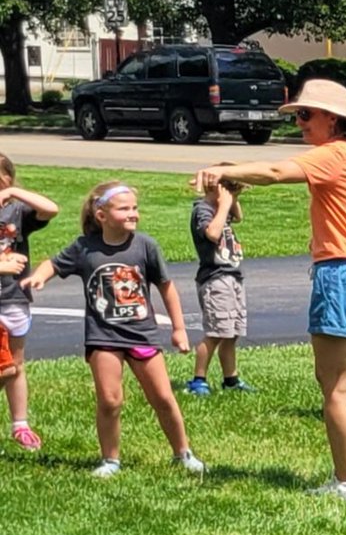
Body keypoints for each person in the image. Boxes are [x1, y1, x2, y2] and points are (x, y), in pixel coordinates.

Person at [193, 78, 346, 503]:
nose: (300, 124)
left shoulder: (333, 155)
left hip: (341, 274)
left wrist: (224, 170)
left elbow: (274, 172)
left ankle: (345, 484)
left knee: (333, 386)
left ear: (334, 120)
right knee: (340, 378)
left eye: (306, 116)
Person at [22, 182, 204, 478]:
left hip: (142, 335)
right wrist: (39, 277)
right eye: (124, 208)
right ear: (101, 215)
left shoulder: (145, 246)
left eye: (134, 208)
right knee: (109, 400)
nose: (133, 213)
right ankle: (110, 459)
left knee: (162, 397)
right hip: (102, 337)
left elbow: (167, 288)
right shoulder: (85, 248)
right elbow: (53, 264)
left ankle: (183, 453)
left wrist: (179, 329)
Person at [0, 152, 58, 451]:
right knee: (3, 368)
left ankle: (19, 424)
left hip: (13, 298)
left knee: (15, 365)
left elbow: (51, 209)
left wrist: (13, 193)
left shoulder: (16, 211)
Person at [185, 168, 254, 396]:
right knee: (215, 332)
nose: (234, 197)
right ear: (216, 189)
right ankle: (198, 379)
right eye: (231, 190)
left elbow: (240, 217)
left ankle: (230, 379)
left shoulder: (219, 208)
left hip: (232, 277)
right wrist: (223, 204)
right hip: (215, 279)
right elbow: (213, 234)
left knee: (231, 332)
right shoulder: (203, 210)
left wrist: (229, 200)